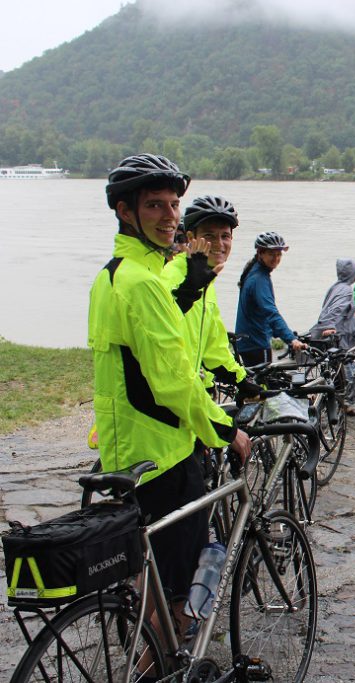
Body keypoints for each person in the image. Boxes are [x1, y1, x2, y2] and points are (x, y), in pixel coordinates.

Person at [90, 154, 251, 646]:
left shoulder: (116, 273)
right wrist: (223, 430)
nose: (169, 217)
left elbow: (175, 354)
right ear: (125, 211)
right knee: (178, 592)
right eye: (155, 205)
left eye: (173, 205)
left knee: (157, 573)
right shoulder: (146, 282)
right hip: (164, 452)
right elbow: (174, 379)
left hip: (136, 444)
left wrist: (242, 380)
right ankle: (158, 665)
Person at [162, 195, 258, 398]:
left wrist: (241, 380)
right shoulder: (171, 277)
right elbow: (157, 338)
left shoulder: (206, 281)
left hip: (195, 392)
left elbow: (214, 346)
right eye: (209, 235)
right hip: (171, 397)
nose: (219, 243)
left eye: (225, 236)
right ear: (190, 237)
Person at [234, 231, 306, 366]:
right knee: (267, 385)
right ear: (260, 253)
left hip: (248, 341)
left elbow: (260, 312)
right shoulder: (259, 279)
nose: (276, 258)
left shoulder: (255, 271)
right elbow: (270, 312)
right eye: (271, 254)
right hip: (255, 344)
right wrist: (291, 339)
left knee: (262, 382)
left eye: (279, 254)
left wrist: (280, 332)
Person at [308, 258, 355, 348]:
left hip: (341, 331)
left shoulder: (335, 287)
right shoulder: (346, 290)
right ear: (351, 273)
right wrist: (329, 326)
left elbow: (340, 310)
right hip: (340, 336)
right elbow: (336, 308)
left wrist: (354, 317)